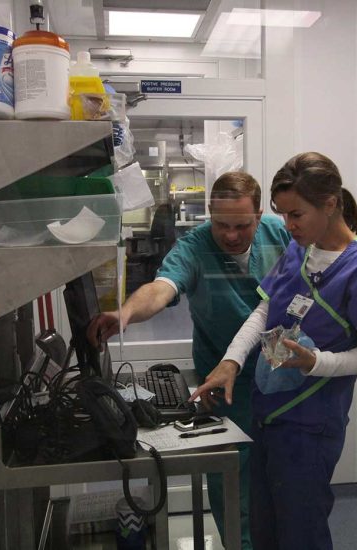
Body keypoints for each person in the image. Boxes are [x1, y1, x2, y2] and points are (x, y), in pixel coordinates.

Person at [191, 152, 357, 550]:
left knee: (300, 534)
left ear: (331, 203)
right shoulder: (301, 250)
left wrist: (317, 362)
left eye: (296, 214)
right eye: (283, 215)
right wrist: (230, 362)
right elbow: (266, 307)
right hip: (268, 414)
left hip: (309, 427)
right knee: (265, 530)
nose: (288, 225)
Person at [87, 171, 291, 550]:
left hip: (283, 377)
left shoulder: (280, 235)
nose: (231, 235)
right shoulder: (195, 248)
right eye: (221, 225)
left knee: (282, 479)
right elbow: (161, 288)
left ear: (260, 215)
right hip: (227, 385)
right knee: (234, 484)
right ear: (209, 215)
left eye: (242, 225)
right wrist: (126, 314)